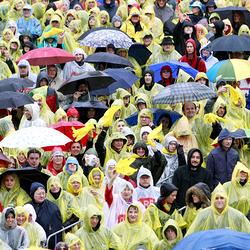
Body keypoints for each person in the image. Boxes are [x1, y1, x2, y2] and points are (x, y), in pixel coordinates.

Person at [186, 183, 250, 235]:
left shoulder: (237, 215)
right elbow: (192, 233)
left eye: (222, 198)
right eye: (216, 198)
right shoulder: (203, 214)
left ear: (226, 199)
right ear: (213, 199)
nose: (219, 200)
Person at [27, 182, 63, 249]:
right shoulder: (27, 206)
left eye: (43, 193)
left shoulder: (53, 208)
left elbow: (57, 229)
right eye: (38, 194)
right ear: (32, 194)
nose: (42, 196)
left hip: (49, 242)